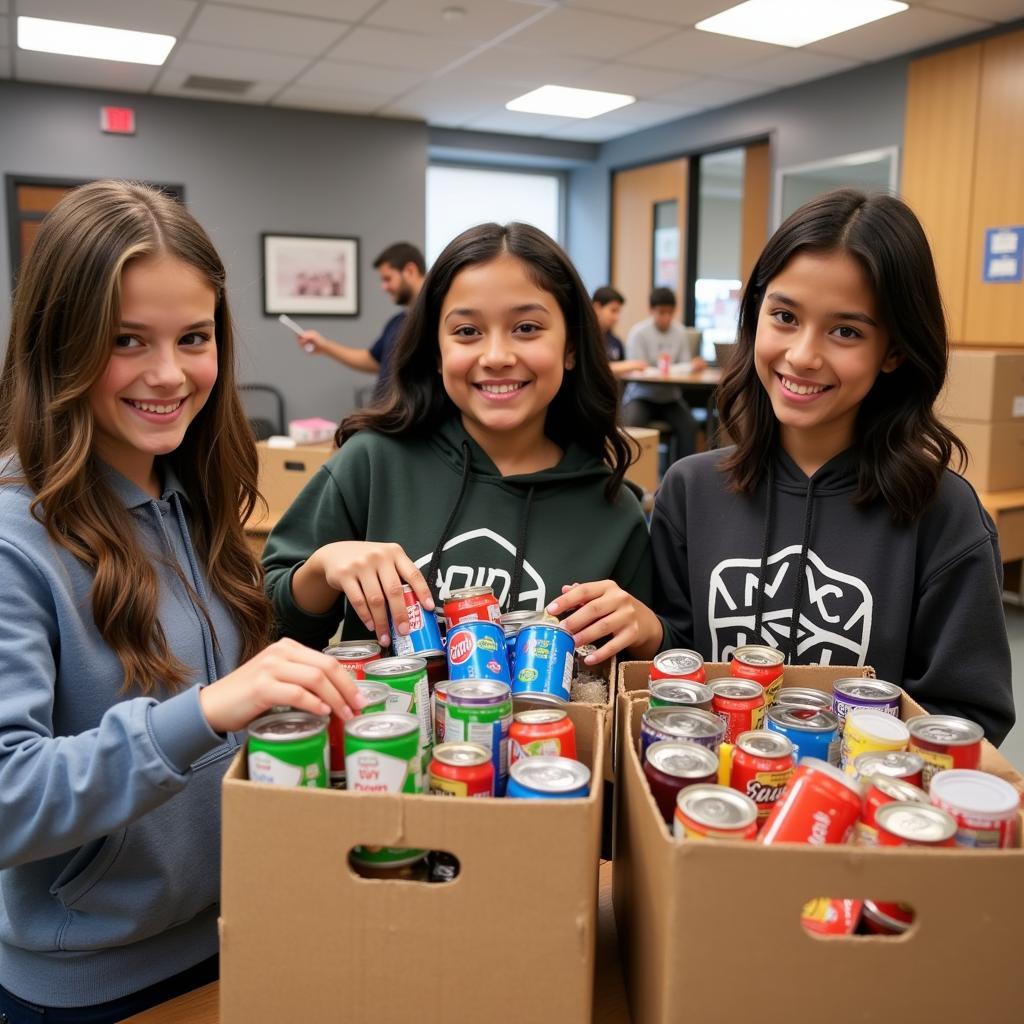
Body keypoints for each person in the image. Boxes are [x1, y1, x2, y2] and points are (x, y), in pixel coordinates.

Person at [0, 181, 363, 1023]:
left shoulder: (190, 494)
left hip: (235, 937)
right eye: (126, 341)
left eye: (192, 338)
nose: (168, 374)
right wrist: (203, 712)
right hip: (90, 985)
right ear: (59, 344)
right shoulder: (17, 539)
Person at [650, 188, 1014, 744]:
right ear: (755, 320)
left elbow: (969, 718)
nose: (802, 355)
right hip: (705, 808)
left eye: (846, 331)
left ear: (893, 351)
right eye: (785, 317)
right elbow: (671, 666)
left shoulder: (943, 513)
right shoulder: (690, 489)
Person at [263, 222, 663, 666]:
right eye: (467, 332)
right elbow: (267, 624)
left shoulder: (613, 511)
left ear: (570, 347)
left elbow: (639, 677)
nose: (495, 356)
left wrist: (648, 634)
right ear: (436, 351)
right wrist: (322, 568)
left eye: (527, 327)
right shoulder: (372, 464)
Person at [296, 242, 426, 400]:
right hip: (386, 419)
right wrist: (324, 345)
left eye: (388, 278)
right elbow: (373, 361)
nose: (383, 287)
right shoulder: (397, 322)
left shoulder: (434, 321)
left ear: (410, 271)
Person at [621, 287, 707, 462]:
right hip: (641, 395)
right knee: (632, 427)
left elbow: (687, 365)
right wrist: (679, 368)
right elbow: (636, 368)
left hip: (670, 397)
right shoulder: (639, 333)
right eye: (661, 312)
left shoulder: (680, 332)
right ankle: (634, 474)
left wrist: (690, 366)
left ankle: (682, 477)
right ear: (651, 310)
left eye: (670, 312)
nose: (666, 317)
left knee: (690, 426)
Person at [592, 286, 647, 378]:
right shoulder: (585, 338)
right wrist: (629, 366)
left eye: (618, 312)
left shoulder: (616, 342)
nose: (616, 317)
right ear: (597, 308)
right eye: (613, 311)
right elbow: (593, 368)